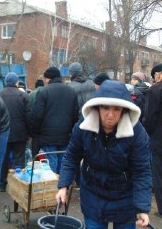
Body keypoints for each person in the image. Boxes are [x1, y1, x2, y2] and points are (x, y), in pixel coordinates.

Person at [56, 80, 152, 229]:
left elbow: (142, 171)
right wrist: (63, 185)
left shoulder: (137, 132)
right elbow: (72, 156)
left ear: (124, 110)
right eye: (105, 108)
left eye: (116, 109)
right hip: (93, 192)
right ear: (97, 107)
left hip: (125, 195)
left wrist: (142, 208)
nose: (110, 115)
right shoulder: (84, 126)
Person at [30, 66, 79, 173]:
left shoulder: (43, 91)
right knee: (63, 163)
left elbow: (37, 115)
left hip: (47, 136)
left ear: (48, 78)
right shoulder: (71, 91)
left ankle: (52, 187)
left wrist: (35, 133)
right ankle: (62, 186)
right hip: (66, 135)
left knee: (50, 164)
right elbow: (76, 115)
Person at [0, 72, 30, 192]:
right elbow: (28, 116)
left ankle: (2, 184)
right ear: (17, 82)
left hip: (3, 134)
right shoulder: (24, 96)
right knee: (19, 160)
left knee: (3, 160)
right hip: (20, 133)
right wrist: (29, 132)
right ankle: (18, 185)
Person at [143, 63, 162, 218]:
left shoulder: (155, 91)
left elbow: (149, 118)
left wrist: (148, 133)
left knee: (159, 175)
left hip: (159, 141)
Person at [28, 79, 44, 158]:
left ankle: (36, 161)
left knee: (35, 148)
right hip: (45, 128)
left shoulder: (31, 95)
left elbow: (29, 111)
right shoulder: (46, 92)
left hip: (35, 127)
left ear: (35, 86)